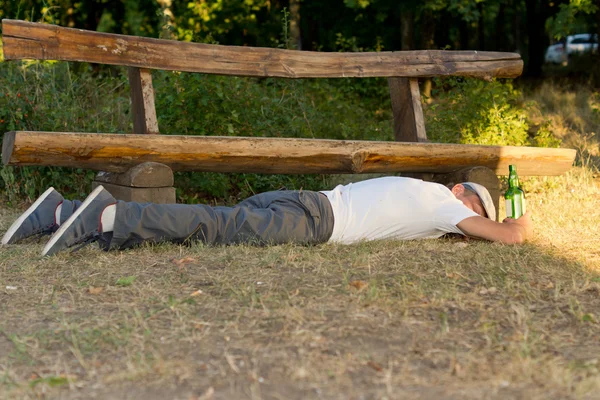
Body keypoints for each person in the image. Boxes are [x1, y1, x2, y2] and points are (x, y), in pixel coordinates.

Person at [1, 176, 532, 256]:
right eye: (473, 210)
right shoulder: (442, 199)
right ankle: (104, 218)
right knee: (214, 226)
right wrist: (517, 219)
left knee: (220, 222)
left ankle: (65, 214)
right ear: (463, 193)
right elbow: (507, 238)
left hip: (307, 199)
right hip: (317, 222)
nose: (469, 227)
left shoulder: (421, 191)